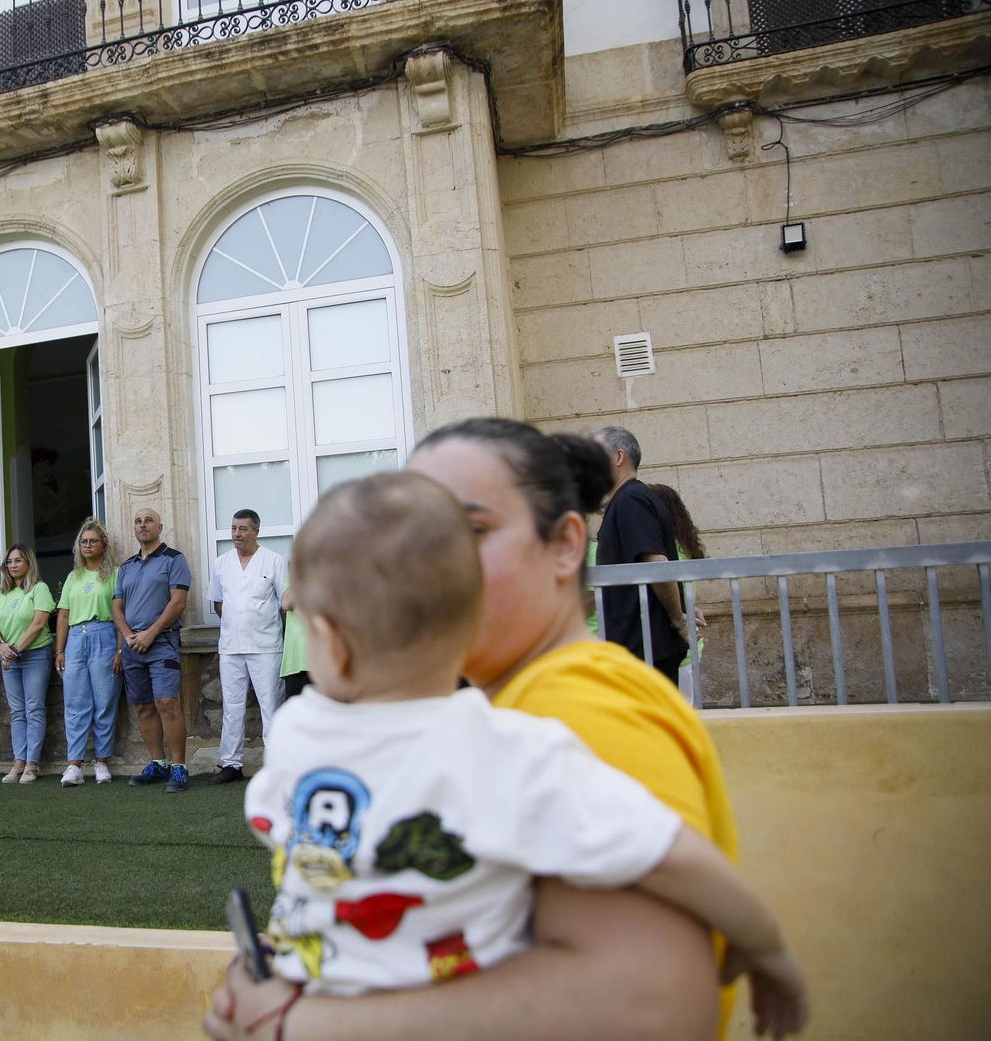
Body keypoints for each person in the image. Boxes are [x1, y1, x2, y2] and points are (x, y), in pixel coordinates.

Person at [205, 418, 759, 1041]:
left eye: (468, 530)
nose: (417, 567)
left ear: (566, 546)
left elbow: (654, 1008)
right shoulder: (483, 719)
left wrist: (298, 1020)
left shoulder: (577, 711)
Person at [589, 426, 700, 683]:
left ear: (619, 457)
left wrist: (678, 620)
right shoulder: (629, 499)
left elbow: (656, 564)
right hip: (640, 647)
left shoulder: (631, 500)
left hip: (645, 649)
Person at [113, 508, 193, 793]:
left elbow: (178, 603)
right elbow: (117, 607)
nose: (143, 525)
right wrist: (127, 636)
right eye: (138, 521)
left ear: (160, 526)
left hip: (163, 641)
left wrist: (151, 633)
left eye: (148, 520)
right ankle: (157, 763)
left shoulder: (174, 559)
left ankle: (179, 767)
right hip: (133, 645)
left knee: (166, 703)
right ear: (134, 529)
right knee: (143, 706)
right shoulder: (126, 567)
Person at [207, 509, 287, 785]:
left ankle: (278, 766)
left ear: (256, 531)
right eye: (233, 528)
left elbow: (284, 604)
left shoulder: (274, 561)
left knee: (271, 706)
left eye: (242, 529)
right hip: (231, 646)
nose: (236, 534)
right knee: (232, 707)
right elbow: (219, 604)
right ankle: (231, 764)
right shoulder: (221, 563)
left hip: (266, 645)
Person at [53, 518, 124, 787]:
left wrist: (120, 649)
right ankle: (74, 765)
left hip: (104, 634)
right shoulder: (74, 576)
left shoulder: (115, 574)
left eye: (93, 541)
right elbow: (62, 615)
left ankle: (102, 762)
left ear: (104, 545)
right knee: (75, 702)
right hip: (74, 638)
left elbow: (120, 614)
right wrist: (59, 650)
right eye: (83, 542)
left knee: (105, 700)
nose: (88, 545)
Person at [0, 544, 55, 784]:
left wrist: (15, 650)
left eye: (18, 560)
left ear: (28, 563)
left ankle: (32, 764)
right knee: (17, 712)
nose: (13, 565)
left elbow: (38, 624)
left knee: (34, 708)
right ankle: (18, 762)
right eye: (9, 561)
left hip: (34, 655)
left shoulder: (39, 589)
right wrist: (0, 646)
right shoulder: (0, 591)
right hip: (8, 657)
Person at [651, 483, 708, 704]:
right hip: (685, 640)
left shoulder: (664, 550)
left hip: (677, 641)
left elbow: (669, 588)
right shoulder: (683, 546)